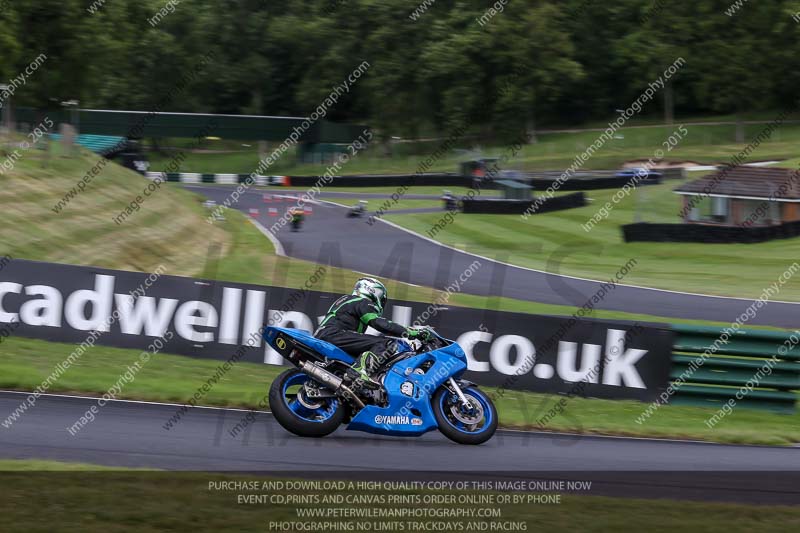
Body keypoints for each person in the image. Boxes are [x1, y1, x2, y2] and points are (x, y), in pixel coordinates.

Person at [314, 277, 430, 384]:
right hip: (335, 335)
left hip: (328, 335)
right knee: (385, 343)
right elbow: (379, 323)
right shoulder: (362, 301)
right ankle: (358, 371)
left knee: (362, 352)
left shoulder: (347, 300)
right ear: (374, 292)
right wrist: (409, 332)